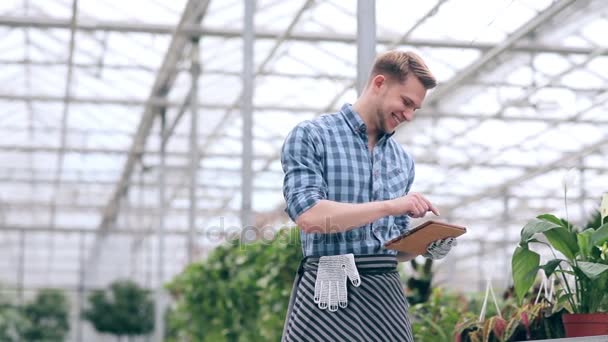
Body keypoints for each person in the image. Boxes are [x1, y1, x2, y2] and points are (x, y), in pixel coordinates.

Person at [280, 50, 457, 341]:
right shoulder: (313, 136)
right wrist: (390, 206)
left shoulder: (402, 161)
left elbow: (394, 249)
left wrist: (424, 245)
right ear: (379, 83)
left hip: (384, 294)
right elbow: (310, 217)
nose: (409, 116)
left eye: (416, 109)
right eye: (406, 102)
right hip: (330, 284)